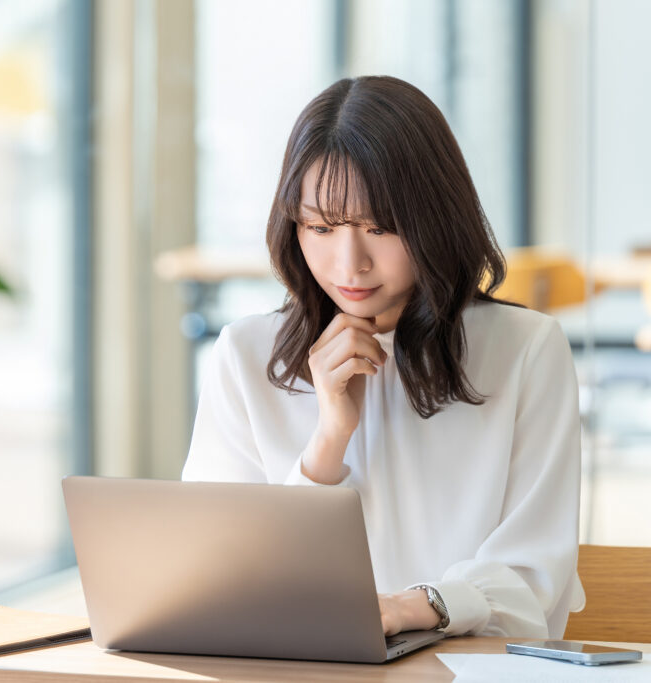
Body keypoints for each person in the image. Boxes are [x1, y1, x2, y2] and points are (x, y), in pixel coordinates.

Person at [181, 75, 585, 639]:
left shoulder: (526, 350)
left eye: (381, 227)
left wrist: (410, 608)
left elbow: (535, 580)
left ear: (435, 217)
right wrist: (326, 445)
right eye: (320, 227)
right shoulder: (246, 356)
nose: (350, 265)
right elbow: (219, 574)